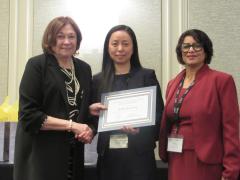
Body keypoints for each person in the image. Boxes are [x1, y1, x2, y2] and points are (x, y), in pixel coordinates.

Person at [13, 16, 96, 180]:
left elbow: (82, 111)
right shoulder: (37, 65)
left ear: (77, 40)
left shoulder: (84, 69)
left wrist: (90, 128)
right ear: (50, 39)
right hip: (41, 157)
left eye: (71, 36)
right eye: (60, 36)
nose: (66, 41)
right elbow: (28, 116)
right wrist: (72, 126)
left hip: (73, 156)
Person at [158, 29, 240, 180]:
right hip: (175, 156)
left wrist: (231, 169)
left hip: (205, 160)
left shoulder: (221, 81)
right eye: (186, 46)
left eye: (197, 46)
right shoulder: (173, 84)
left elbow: (231, 129)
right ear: (180, 51)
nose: (191, 50)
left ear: (206, 50)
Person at [89, 25, 164, 180]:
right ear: (107, 47)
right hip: (109, 155)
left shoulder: (147, 76)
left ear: (133, 47)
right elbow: (93, 122)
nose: (120, 48)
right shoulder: (97, 80)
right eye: (115, 43)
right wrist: (91, 111)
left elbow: (159, 115)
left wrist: (140, 130)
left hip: (140, 156)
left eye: (126, 43)